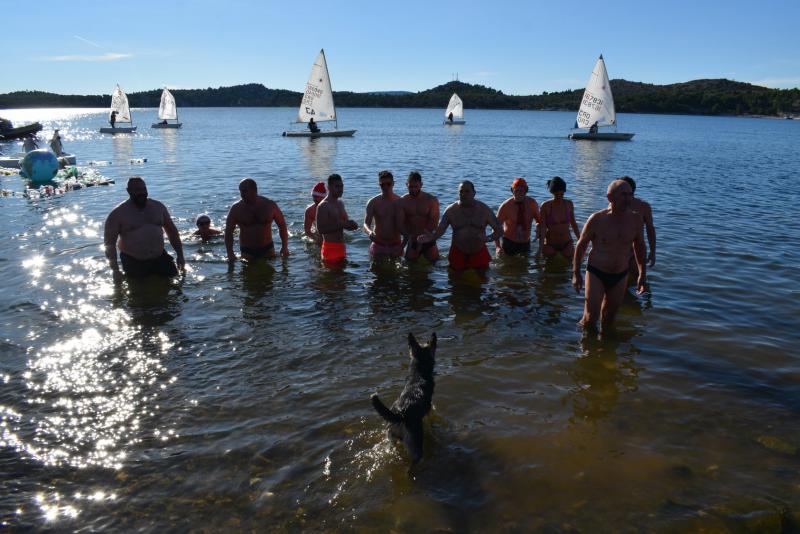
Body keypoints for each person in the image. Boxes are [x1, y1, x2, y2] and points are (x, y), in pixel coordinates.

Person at [573, 179, 646, 330]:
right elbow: (581, 245)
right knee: (590, 319)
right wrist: (576, 273)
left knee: (609, 319)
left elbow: (640, 246)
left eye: (630, 195)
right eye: (623, 195)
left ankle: (605, 349)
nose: (628, 199)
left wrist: (642, 274)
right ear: (610, 197)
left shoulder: (636, 219)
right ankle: (585, 349)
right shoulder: (597, 219)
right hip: (596, 273)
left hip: (620, 274)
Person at [104, 176, 184, 283]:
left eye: (143, 189)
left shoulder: (158, 207)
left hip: (159, 257)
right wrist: (115, 270)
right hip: (133, 260)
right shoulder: (117, 214)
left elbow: (172, 232)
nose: (141, 192)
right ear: (129, 191)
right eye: (137, 190)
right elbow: (109, 244)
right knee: (139, 294)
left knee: (177, 284)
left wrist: (180, 255)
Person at [419, 180, 503, 271]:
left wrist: (487, 238)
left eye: (467, 191)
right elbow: (441, 230)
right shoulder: (451, 210)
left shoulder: (484, 210)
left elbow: (499, 230)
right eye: (461, 191)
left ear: (474, 193)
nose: (463, 194)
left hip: (479, 251)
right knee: (455, 281)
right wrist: (432, 238)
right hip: (458, 252)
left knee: (482, 280)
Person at [224, 178, 289, 265]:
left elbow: (282, 225)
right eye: (240, 191)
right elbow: (228, 231)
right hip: (247, 251)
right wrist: (230, 253)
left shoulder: (269, 205)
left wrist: (284, 247)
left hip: (268, 249)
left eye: (244, 191)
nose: (241, 194)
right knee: (248, 277)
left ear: (254, 190)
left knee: (270, 277)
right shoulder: (236, 209)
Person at [316, 173, 359, 263]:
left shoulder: (340, 203)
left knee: (342, 275)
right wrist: (342, 224)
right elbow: (320, 229)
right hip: (329, 247)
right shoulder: (323, 205)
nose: (341, 189)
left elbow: (345, 223)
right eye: (337, 187)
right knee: (331, 276)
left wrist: (352, 225)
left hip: (341, 246)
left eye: (342, 186)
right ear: (329, 188)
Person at [399, 171, 440, 261]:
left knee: (435, 265)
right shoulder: (403, 201)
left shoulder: (431, 200)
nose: (413, 189)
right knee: (409, 267)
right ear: (406, 184)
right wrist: (407, 237)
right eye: (410, 187)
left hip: (428, 239)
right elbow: (400, 224)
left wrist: (424, 238)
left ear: (421, 185)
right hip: (412, 239)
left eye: (415, 187)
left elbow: (434, 222)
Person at [494, 177, 540, 256]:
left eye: (522, 191)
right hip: (509, 243)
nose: (519, 193)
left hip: (525, 243)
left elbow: (539, 221)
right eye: (516, 191)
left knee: (524, 267)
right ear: (512, 191)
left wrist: (537, 228)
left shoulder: (532, 204)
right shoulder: (505, 206)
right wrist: (498, 247)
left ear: (526, 191)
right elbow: (495, 227)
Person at [538, 176, 580, 259]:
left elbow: (574, 224)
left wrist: (581, 241)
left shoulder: (569, 204)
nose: (560, 197)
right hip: (551, 244)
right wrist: (540, 248)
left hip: (567, 243)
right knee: (549, 264)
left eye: (562, 194)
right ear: (552, 193)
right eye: (557, 194)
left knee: (569, 261)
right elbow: (543, 228)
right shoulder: (545, 206)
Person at [364, 170, 404, 258]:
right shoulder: (373, 202)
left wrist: (405, 242)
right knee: (375, 271)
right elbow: (366, 224)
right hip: (378, 245)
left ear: (393, 183)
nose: (385, 187)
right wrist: (370, 232)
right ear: (379, 184)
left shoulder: (401, 202)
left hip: (395, 245)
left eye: (388, 184)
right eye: (382, 184)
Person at [621, 176, 656, 268]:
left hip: (635, 253)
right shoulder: (613, 204)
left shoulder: (644, 207)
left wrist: (652, 252)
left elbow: (650, 230)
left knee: (637, 280)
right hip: (616, 252)